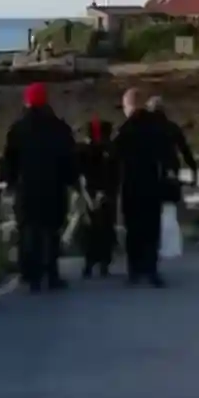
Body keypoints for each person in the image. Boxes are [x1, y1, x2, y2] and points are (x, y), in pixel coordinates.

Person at [0, 82, 77, 292]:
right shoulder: (59, 128)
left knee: (28, 232)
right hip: (54, 189)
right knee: (51, 232)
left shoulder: (17, 129)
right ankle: (52, 274)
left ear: (27, 101)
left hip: (27, 189)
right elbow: (70, 159)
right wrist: (72, 181)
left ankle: (30, 276)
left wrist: (9, 181)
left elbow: (9, 161)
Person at [110, 87, 174, 286]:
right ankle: (151, 270)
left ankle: (135, 270)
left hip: (131, 185)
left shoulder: (125, 129)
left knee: (133, 229)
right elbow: (168, 155)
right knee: (151, 228)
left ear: (129, 106)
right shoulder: (157, 127)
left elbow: (114, 158)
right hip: (152, 184)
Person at [76, 117, 118, 278]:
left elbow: (81, 175)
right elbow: (115, 175)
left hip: (91, 193)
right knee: (106, 227)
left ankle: (90, 262)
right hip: (106, 193)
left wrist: (88, 195)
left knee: (91, 229)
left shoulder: (83, 151)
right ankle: (103, 263)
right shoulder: (111, 151)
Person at [147, 93, 199, 203]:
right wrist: (194, 172)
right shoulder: (172, 128)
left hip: (150, 172)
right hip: (170, 169)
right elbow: (186, 152)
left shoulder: (144, 128)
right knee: (172, 203)